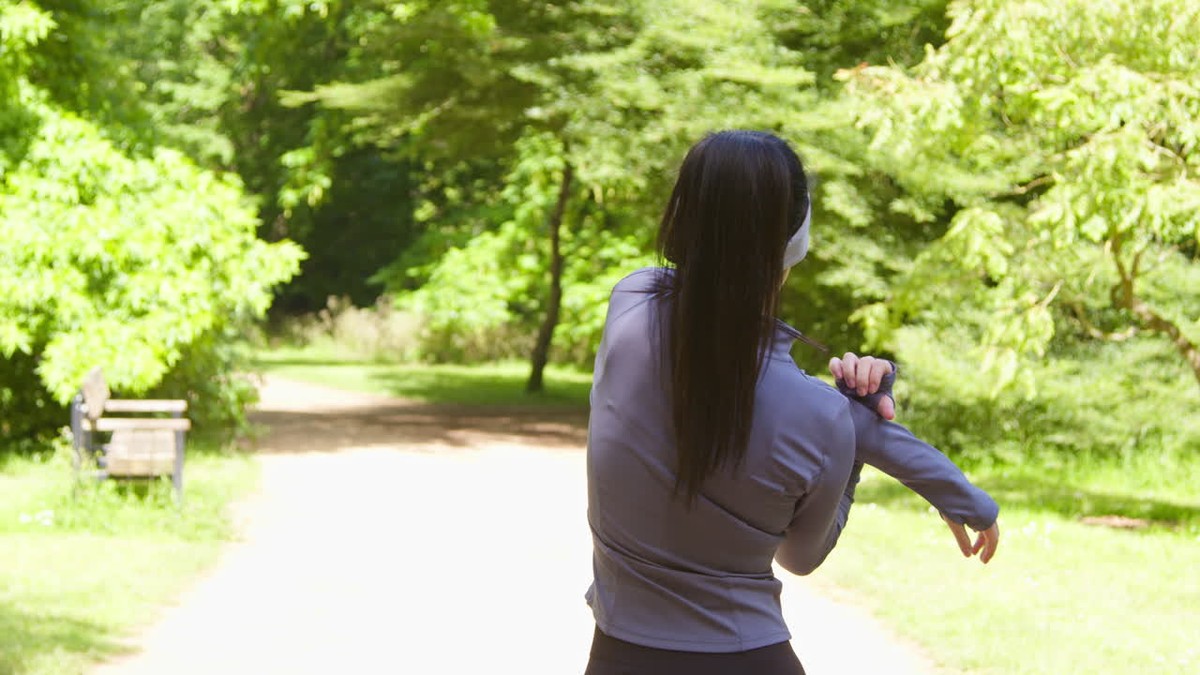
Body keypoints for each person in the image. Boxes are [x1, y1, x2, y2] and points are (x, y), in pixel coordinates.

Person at [583, 130, 1000, 675]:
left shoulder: (630, 306)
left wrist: (852, 425)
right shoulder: (821, 415)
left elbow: (717, 351)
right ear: (797, 240)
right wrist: (859, 428)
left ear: (681, 221)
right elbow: (800, 558)